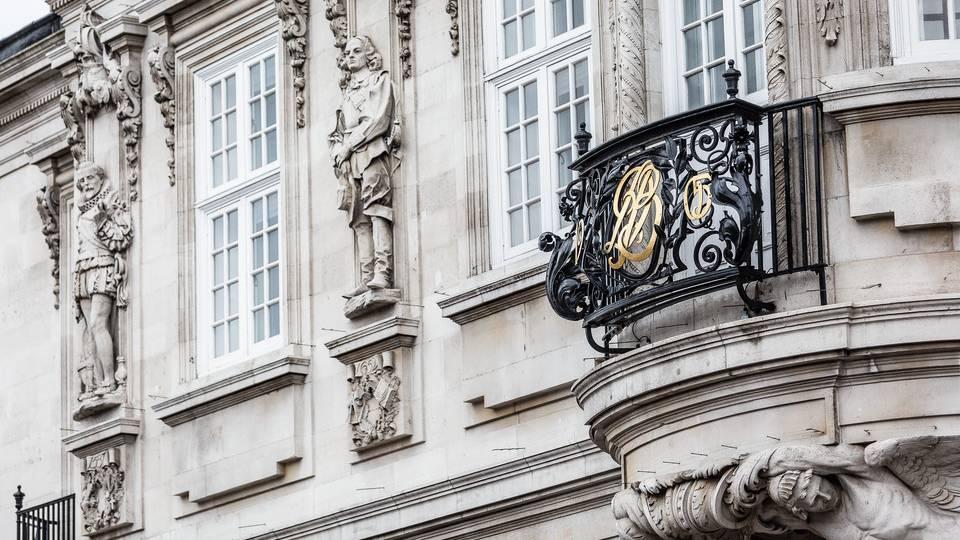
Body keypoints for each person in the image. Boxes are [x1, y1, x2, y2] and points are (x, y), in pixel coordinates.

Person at [329, 35, 400, 297]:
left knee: (377, 207)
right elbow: (337, 131)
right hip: (349, 162)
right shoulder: (347, 93)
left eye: (356, 51)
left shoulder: (378, 81)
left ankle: (383, 271)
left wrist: (351, 143)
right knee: (358, 216)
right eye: (347, 53)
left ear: (368, 55)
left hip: (371, 151)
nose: (350, 56)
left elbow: (380, 119)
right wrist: (338, 150)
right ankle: (366, 275)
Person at [74, 162, 132, 400]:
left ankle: (109, 380)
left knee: (99, 323)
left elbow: (121, 238)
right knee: (90, 329)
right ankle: (96, 384)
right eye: (81, 182)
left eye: (88, 179)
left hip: (103, 266)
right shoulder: (82, 209)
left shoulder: (110, 202)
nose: (85, 184)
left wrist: (101, 218)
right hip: (83, 268)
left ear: (99, 178)